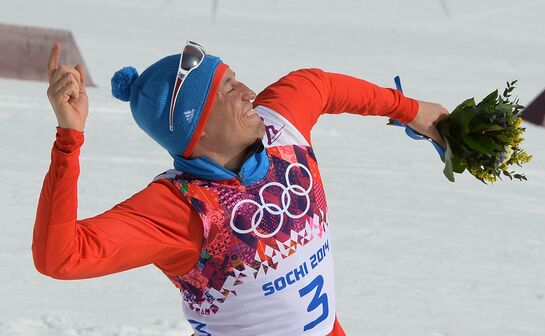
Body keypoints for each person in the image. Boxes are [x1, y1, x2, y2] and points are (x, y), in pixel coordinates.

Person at [33, 41, 449, 336]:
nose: (251, 94)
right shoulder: (180, 208)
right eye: (230, 89)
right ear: (197, 125)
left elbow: (319, 85)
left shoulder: (280, 126)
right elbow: (61, 256)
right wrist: (69, 141)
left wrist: (413, 111)